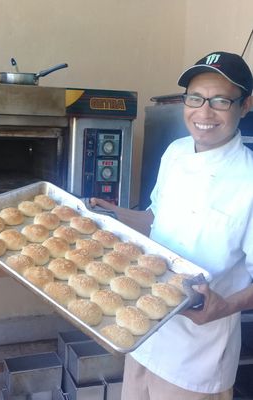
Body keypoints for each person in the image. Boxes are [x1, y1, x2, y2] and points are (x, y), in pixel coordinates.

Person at [90, 51, 253, 400]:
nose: (204, 112)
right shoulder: (176, 152)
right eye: (195, 98)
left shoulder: (248, 179)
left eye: (220, 101)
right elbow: (155, 221)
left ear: (245, 105)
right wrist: (114, 215)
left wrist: (224, 307)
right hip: (143, 333)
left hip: (197, 359)